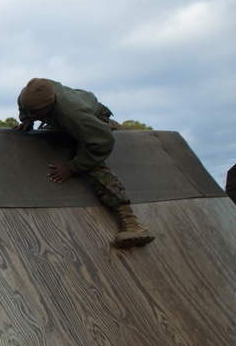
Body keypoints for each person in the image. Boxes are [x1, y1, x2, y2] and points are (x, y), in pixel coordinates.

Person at [16, 77, 155, 248]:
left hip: (95, 115)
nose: (32, 115)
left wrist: (73, 166)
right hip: (65, 116)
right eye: (29, 110)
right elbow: (24, 105)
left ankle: (131, 222)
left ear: (49, 106)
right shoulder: (29, 95)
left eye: (35, 112)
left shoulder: (74, 115)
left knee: (91, 163)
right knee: (46, 137)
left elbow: (103, 143)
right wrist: (27, 120)